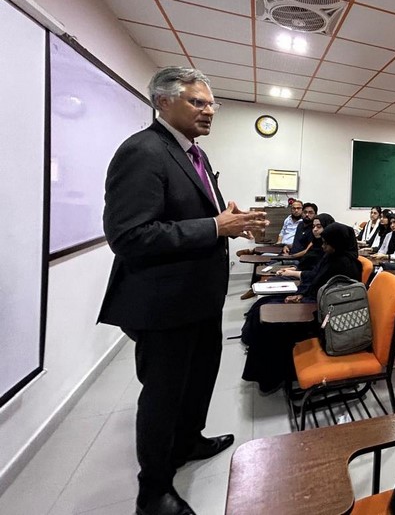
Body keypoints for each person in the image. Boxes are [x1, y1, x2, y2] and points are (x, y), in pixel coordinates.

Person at [98, 67, 269, 515]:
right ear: (163, 102)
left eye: (211, 103)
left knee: (199, 381)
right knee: (162, 395)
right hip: (165, 303)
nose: (209, 110)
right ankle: (153, 491)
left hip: (200, 297)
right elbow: (130, 235)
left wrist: (225, 218)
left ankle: (189, 440)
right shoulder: (143, 152)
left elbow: (193, 215)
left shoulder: (193, 154)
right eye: (198, 102)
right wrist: (215, 225)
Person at [241, 222, 362, 393]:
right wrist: (302, 295)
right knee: (265, 305)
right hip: (313, 302)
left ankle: (273, 377)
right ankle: (257, 352)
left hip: (324, 319)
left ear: (338, 243)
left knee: (272, 326)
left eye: (327, 243)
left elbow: (332, 299)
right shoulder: (332, 257)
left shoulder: (345, 264)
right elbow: (317, 282)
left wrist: (303, 298)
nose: (324, 246)